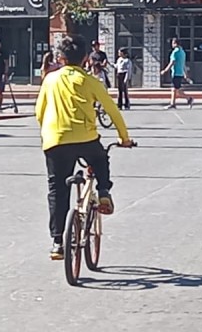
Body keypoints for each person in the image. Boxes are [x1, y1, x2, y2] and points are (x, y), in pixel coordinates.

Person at [35, 34, 135, 260]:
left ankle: (57, 242)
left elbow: (39, 112)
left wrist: (48, 134)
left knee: (57, 189)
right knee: (100, 159)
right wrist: (124, 138)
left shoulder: (50, 79)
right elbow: (112, 110)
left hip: (55, 141)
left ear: (61, 58)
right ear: (85, 59)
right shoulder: (91, 81)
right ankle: (103, 191)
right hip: (85, 139)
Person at [161, 37, 194, 109]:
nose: (172, 44)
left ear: (175, 43)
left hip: (176, 72)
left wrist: (165, 70)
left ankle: (187, 99)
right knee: (175, 89)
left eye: (172, 43)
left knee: (175, 89)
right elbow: (183, 64)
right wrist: (185, 74)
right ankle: (175, 103)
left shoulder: (175, 52)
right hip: (180, 73)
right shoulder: (182, 52)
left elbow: (172, 62)